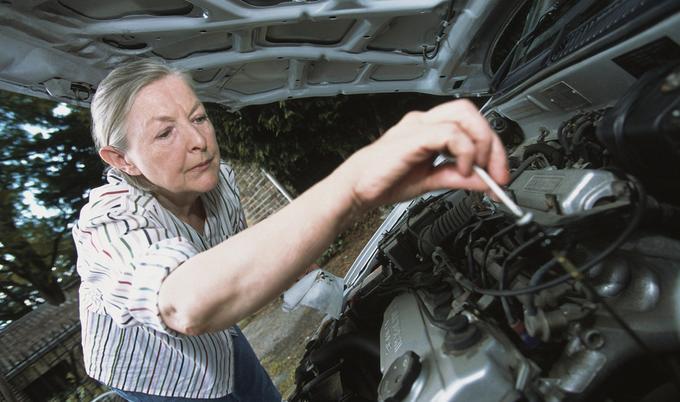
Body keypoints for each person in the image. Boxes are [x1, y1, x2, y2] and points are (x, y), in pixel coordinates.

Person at [73, 59, 509, 401]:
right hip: (155, 370)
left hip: (219, 340)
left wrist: (295, 262)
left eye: (199, 117)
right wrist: (353, 186)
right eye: (165, 133)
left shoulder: (218, 180)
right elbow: (183, 305)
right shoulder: (106, 225)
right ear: (122, 160)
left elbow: (234, 250)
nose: (198, 141)